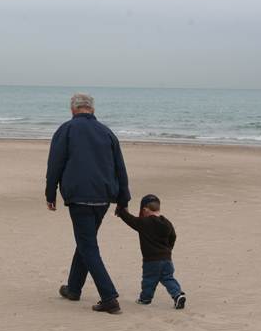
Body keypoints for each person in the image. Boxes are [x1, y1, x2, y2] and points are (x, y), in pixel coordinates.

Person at [46, 93, 130, 314]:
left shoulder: (66, 130)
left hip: (80, 197)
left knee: (87, 245)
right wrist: (123, 200)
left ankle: (109, 297)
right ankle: (73, 288)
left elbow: (55, 163)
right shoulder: (107, 132)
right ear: (92, 109)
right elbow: (120, 168)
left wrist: (50, 193)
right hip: (103, 197)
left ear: (73, 109)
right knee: (86, 241)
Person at [116, 194, 186, 309]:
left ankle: (145, 299)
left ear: (144, 210)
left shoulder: (144, 223)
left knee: (149, 280)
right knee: (168, 278)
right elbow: (173, 236)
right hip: (167, 259)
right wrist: (168, 250)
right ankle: (177, 295)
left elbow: (130, 220)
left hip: (151, 260)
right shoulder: (167, 223)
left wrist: (121, 211)